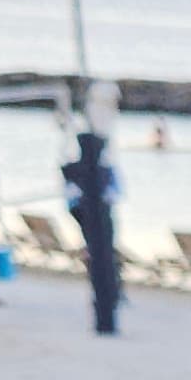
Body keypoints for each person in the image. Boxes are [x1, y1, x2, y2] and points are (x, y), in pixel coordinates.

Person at [62, 116, 123, 335]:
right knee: (100, 257)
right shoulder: (88, 171)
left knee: (104, 258)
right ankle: (106, 304)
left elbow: (114, 194)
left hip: (96, 215)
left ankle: (112, 297)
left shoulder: (101, 170)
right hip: (88, 215)